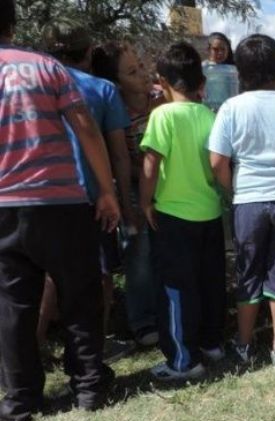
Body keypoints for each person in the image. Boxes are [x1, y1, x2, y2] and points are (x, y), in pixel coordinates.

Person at [0, 0, 120, 421]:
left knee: (13, 305)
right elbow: (84, 125)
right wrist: (106, 191)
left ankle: (20, 401)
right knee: (80, 294)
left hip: (4, 205)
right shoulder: (46, 67)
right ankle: (89, 386)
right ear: (13, 22)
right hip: (61, 202)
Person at [209, 34, 275, 367]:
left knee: (248, 269)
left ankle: (244, 343)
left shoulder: (231, 107)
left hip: (248, 200)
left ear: (240, 73)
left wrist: (233, 191)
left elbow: (217, 161)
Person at [42, 20, 136, 362]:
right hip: (93, 197)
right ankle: (96, 345)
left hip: (42, 195)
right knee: (100, 273)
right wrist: (125, 207)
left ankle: (32, 346)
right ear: (89, 52)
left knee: (48, 275)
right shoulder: (102, 89)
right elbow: (120, 155)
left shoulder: (35, 86)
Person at [139, 42, 225, 381]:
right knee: (210, 282)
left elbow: (151, 162)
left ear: (162, 81)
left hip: (173, 216)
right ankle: (212, 343)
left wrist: (145, 202)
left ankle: (183, 361)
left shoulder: (162, 115)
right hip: (210, 212)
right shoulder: (210, 115)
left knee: (175, 287)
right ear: (201, 82)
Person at [93, 41, 164, 348]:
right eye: (132, 72)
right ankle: (143, 320)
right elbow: (119, 159)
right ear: (116, 82)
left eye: (141, 66)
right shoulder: (115, 111)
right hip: (134, 186)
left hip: (169, 186)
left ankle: (168, 310)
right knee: (140, 252)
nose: (143, 74)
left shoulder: (162, 98)